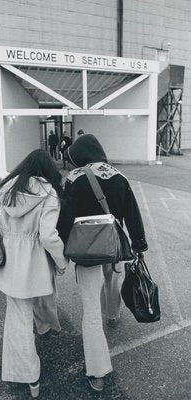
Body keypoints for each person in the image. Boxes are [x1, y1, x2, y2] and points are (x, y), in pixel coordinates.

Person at [57, 134, 148, 393]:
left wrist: (62, 252)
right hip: (114, 243)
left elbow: (64, 219)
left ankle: (97, 370)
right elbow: (133, 213)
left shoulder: (73, 179)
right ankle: (114, 314)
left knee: (90, 307)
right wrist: (139, 245)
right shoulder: (119, 176)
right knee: (113, 280)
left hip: (86, 249)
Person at [0, 149, 69, 398]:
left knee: (18, 316)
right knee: (32, 307)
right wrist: (61, 262)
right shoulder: (49, 193)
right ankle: (31, 373)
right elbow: (49, 236)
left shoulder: (6, 187)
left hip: (8, 262)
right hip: (35, 262)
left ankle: (30, 371)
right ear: (48, 169)